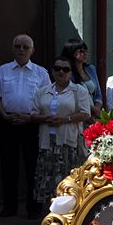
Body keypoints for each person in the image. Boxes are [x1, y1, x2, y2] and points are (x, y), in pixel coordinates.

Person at [0, 33, 50, 218]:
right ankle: (9, 207)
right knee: (8, 166)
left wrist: (30, 118)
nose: (21, 50)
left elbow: (47, 100)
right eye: (18, 46)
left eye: (26, 47)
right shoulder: (3, 70)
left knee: (33, 167)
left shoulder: (41, 73)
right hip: (8, 122)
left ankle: (33, 209)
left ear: (32, 50)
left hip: (31, 124)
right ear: (12, 49)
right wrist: (5, 116)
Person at [30, 56, 91, 206]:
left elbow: (85, 114)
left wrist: (65, 119)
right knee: (46, 178)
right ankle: (49, 213)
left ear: (70, 72)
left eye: (65, 69)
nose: (61, 72)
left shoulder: (79, 91)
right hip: (47, 143)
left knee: (66, 179)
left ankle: (69, 213)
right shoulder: (43, 92)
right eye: (57, 68)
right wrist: (46, 118)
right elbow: (33, 114)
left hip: (67, 143)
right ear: (52, 71)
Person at [60, 38, 102, 120]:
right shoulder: (67, 73)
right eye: (81, 51)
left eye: (86, 51)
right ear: (71, 52)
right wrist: (93, 109)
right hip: (77, 115)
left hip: (95, 115)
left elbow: (98, 93)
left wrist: (97, 108)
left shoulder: (91, 69)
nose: (85, 53)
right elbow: (73, 97)